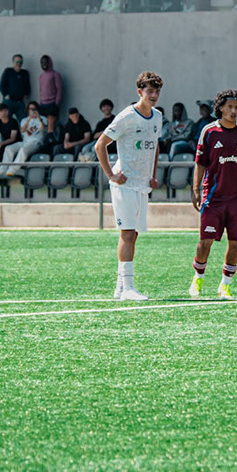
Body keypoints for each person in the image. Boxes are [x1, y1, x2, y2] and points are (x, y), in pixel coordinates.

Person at [93, 72, 164, 301]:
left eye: (157, 91)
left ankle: (120, 286)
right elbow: (100, 145)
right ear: (140, 92)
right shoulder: (126, 116)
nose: (154, 95)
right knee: (127, 233)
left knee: (134, 234)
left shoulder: (157, 117)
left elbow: (155, 146)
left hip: (142, 184)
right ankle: (128, 289)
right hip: (125, 184)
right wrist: (111, 175)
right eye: (150, 91)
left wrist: (152, 175)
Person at [188, 90, 237, 300]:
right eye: (229, 107)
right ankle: (198, 278)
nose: (233, 111)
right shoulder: (209, 131)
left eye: (236, 107)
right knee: (205, 241)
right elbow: (200, 164)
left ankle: (225, 285)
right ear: (220, 108)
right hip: (213, 197)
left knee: (235, 242)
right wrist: (195, 190)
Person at [0, 54, 29, 118]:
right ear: (13, 63)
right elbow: (1, 86)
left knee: (24, 121)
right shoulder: (8, 71)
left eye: (21, 62)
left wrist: (27, 93)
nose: (19, 64)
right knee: (6, 120)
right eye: (17, 62)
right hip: (9, 102)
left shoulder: (25, 73)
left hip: (20, 102)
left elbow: (27, 86)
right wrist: (5, 95)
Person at [37, 55, 64, 120]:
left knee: (52, 124)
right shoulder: (41, 76)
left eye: (45, 62)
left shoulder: (55, 74)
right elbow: (41, 90)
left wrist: (56, 103)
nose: (44, 64)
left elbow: (59, 89)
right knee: (42, 124)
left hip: (52, 103)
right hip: (42, 104)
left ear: (49, 63)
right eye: (42, 63)